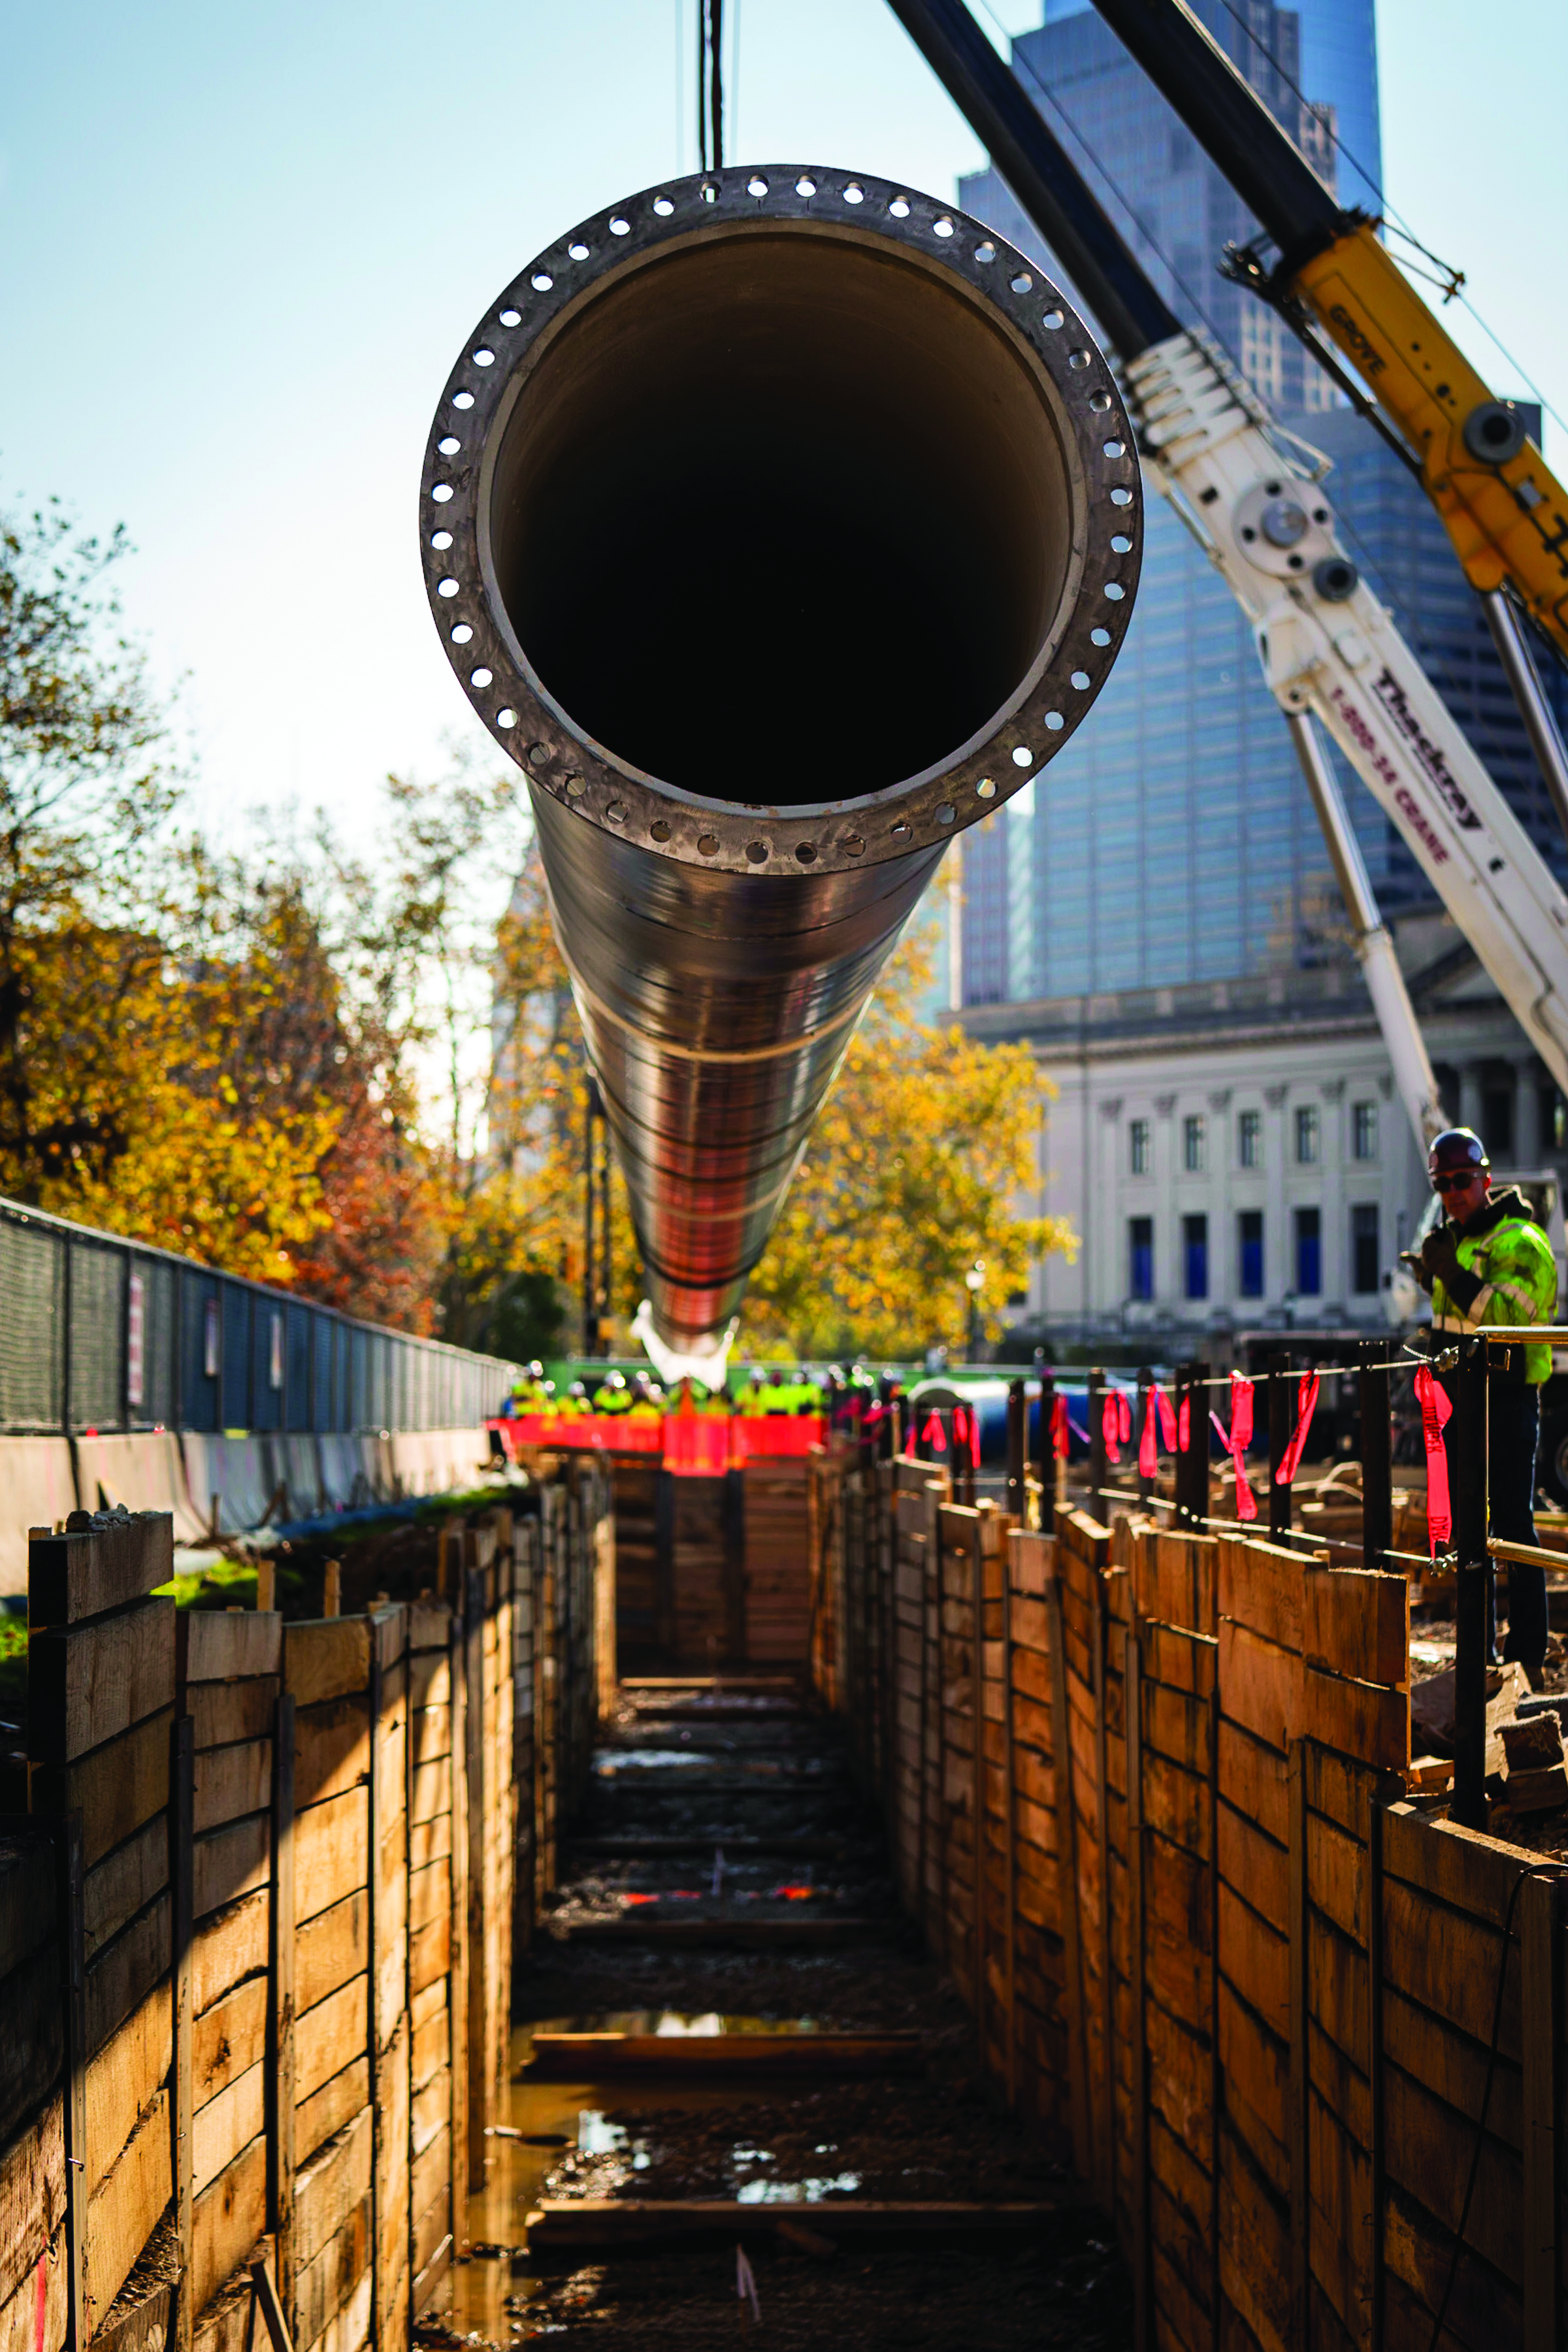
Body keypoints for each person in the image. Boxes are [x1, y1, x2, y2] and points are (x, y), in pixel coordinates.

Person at [1405, 1126, 1558, 1676]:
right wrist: (1434, 1277)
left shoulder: (1521, 1240)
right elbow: (1457, 1323)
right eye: (1442, 1184)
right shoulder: (1462, 1241)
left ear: (1486, 1179)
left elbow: (1504, 1319)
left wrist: (1447, 1272)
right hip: (1461, 1405)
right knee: (1471, 1527)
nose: (1452, 1193)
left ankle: (1527, 1657)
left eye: (1462, 1180)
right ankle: (1479, 1651)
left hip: (1508, 1401)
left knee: (1514, 1527)